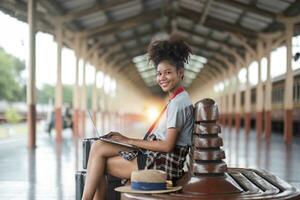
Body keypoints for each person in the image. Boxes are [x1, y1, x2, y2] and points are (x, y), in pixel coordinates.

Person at [82, 34, 194, 200]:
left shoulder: (178, 103)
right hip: (155, 156)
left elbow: (168, 146)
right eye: (159, 74)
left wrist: (128, 141)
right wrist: (125, 138)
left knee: (100, 163)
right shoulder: (177, 99)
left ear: (180, 73)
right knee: (98, 145)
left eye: (168, 72)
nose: (162, 78)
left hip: (162, 164)